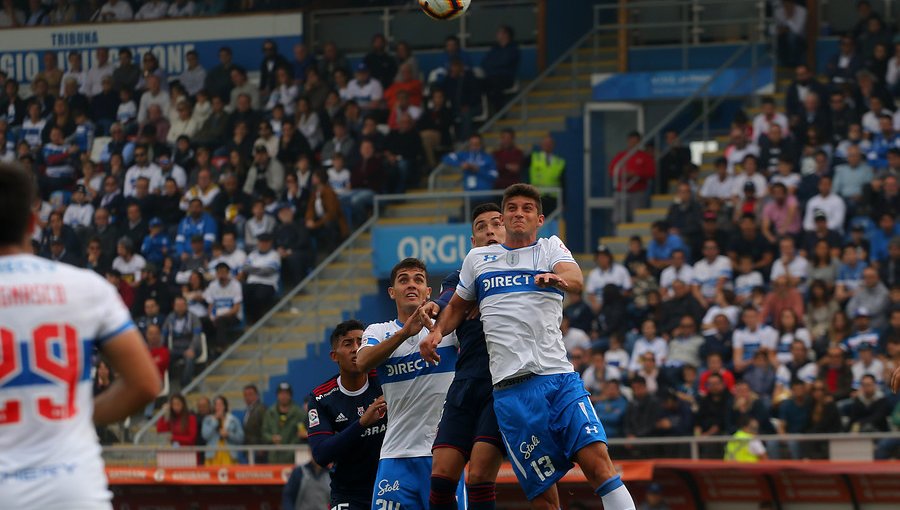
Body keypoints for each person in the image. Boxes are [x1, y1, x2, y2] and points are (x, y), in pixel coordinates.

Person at [421, 184, 636, 509]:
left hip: (559, 380)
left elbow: (576, 277)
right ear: (504, 217)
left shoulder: (549, 249)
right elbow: (457, 307)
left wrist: (558, 279)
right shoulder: (478, 260)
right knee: (543, 495)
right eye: (512, 208)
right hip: (511, 394)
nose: (518, 213)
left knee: (598, 464)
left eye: (526, 208)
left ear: (539, 218)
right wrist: (437, 333)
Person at [0, 163, 160, 507]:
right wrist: (82, 412)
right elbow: (146, 384)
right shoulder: (85, 286)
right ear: (33, 223)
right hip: (73, 491)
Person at [413, 204, 507, 510]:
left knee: (479, 475)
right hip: (466, 382)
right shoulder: (464, 273)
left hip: (505, 382)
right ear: (473, 241)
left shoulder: (523, 266)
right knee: (440, 476)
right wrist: (435, 316)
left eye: (496, 223)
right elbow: (447, 301)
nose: (490, 231)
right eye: (481, 227)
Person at [356, 258, 465, 509]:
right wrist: (405, 332)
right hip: (396, 456)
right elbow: (362, 363)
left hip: (442, 454)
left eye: (418, 280)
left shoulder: (447, 332)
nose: (411, 285)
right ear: (392, 292)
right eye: (403, 280)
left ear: (428, 291)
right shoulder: (379, 331)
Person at [307, 320, 387, 510]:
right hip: (349, 493)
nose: (356, 348)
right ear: (334, 356)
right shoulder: (321, 398)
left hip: (390, 484)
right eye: (348, 343)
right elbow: (321, 454)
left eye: (361, 342)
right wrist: (362, 423)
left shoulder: (385, 381)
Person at [609, 131, 656, 223]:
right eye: (631, 142)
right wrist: (623, 174)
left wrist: (636, 173)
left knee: (636, 218)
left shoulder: (645, 157)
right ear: (628, 141)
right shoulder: (621, 156)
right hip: (621, 192)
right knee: (618, 218)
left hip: (637, 192)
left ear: (639, 143)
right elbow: (612, 170)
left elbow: (651, 173)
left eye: (635, 142)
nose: (633, 144)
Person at [262, 382, 306, 464]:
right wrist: (272, 438)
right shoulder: (270, 412)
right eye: (281, 393)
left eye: (286, 394)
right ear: (277, 395)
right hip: (274, 457)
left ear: (290, 395)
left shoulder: (299, 413)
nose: (284, 396)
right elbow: (264, 432)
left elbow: (303, 433)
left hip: (293, 458)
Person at [201, 395, 244, 466]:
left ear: (225, 406)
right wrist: (215, 421)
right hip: (212, 455)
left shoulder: (233, 420)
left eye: (220, 404)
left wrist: (229, 435)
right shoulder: (207, 420)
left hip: (229, 455)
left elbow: (241, 438)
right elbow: (205, 436)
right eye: (216, 404)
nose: (218, 407)